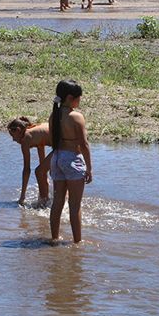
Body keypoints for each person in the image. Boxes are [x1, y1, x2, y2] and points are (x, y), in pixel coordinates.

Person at [48, 80, 92, 244]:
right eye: (78, 98)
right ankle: (77, 242)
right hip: (72, 159)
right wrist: (89, 168)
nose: (79, 102)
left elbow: (52, 140)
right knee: (75, 205)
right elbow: (84, 144)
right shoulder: (76, 117)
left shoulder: (54, 115)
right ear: (70, 98)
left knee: (57, 202)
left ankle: (54, 238)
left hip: (57, 158)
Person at [7, 117, 52, 206]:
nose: (13, 139)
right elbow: (42, 161)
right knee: (43, 172)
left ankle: (43, 203)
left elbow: (26, 170)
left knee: (39, 172)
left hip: (65, 145)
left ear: (18, 130)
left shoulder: (26, 138)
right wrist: (44, 181)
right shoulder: (34, 132)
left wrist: (22, 197)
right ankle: (49, 200)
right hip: (67, 142)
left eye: (13, 135)